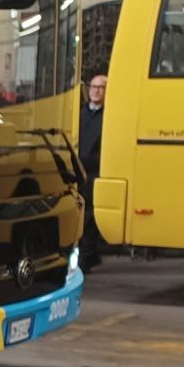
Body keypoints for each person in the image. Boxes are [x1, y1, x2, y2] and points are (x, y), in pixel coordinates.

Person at [78, 71, 107, 269]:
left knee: (89, 217)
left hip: (95, 172)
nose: (96, 91)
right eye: (93, 87)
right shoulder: (80, 114)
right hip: (78, 172)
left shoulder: (109, 116)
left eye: (101, 87)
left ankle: (86, 257)